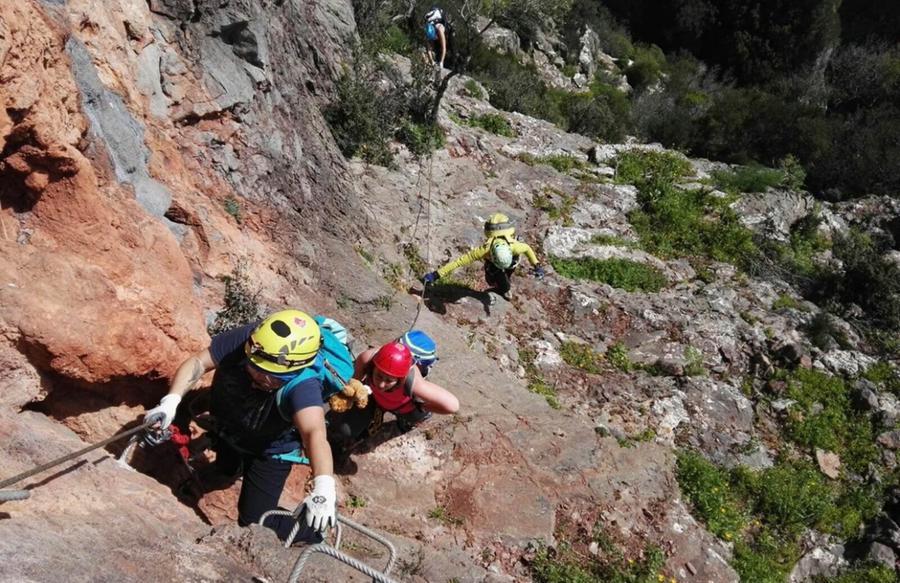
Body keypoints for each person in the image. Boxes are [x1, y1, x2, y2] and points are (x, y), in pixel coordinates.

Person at [143, 309, 339, 543]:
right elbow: (199, 362)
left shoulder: (303, 386)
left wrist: (324, 487)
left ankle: (312, 533)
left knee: (255, 519)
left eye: (268, 374)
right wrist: (171, 400)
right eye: (253, 365)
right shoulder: (252, 341)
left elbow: (314, 433)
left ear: (292, 369)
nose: (254, 373)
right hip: (231, 424)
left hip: (271, 450)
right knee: (226, 462)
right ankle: (228, 469)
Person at [327, 340, 458, 452]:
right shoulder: (367, 359)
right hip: (372, 397)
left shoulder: (414, 383)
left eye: (389, 380)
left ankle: (412, 418)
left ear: (401, 378)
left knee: (414, 416)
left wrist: (423, 406)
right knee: (346, 431)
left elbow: (452, 406)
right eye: (379, 376)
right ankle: (376, 413)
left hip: (403, 407)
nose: (382, 384)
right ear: (374, 367)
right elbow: (354, 383)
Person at [422, 213, 546, 303]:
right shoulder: (484, 250)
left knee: (504, 279)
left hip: (511, 261)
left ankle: (504, 285)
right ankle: (502, 284)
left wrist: (537, 265)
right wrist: (436, 274)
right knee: (494, 280)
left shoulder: (515, 247)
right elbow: (459, 262)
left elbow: (528, 249)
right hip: (494, 264)